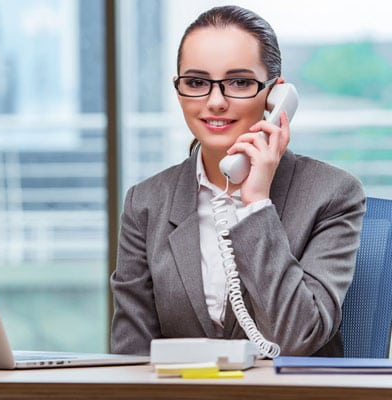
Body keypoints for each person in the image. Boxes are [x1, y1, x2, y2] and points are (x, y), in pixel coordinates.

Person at [110, 5, 365, 357]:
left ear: (276, 96)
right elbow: (130, 356)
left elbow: (295, 339)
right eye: (197, 83)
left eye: (240, 82)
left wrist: (256, 203)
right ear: (178, 89)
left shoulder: (332, 194)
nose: (215, 102)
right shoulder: (146, 202)